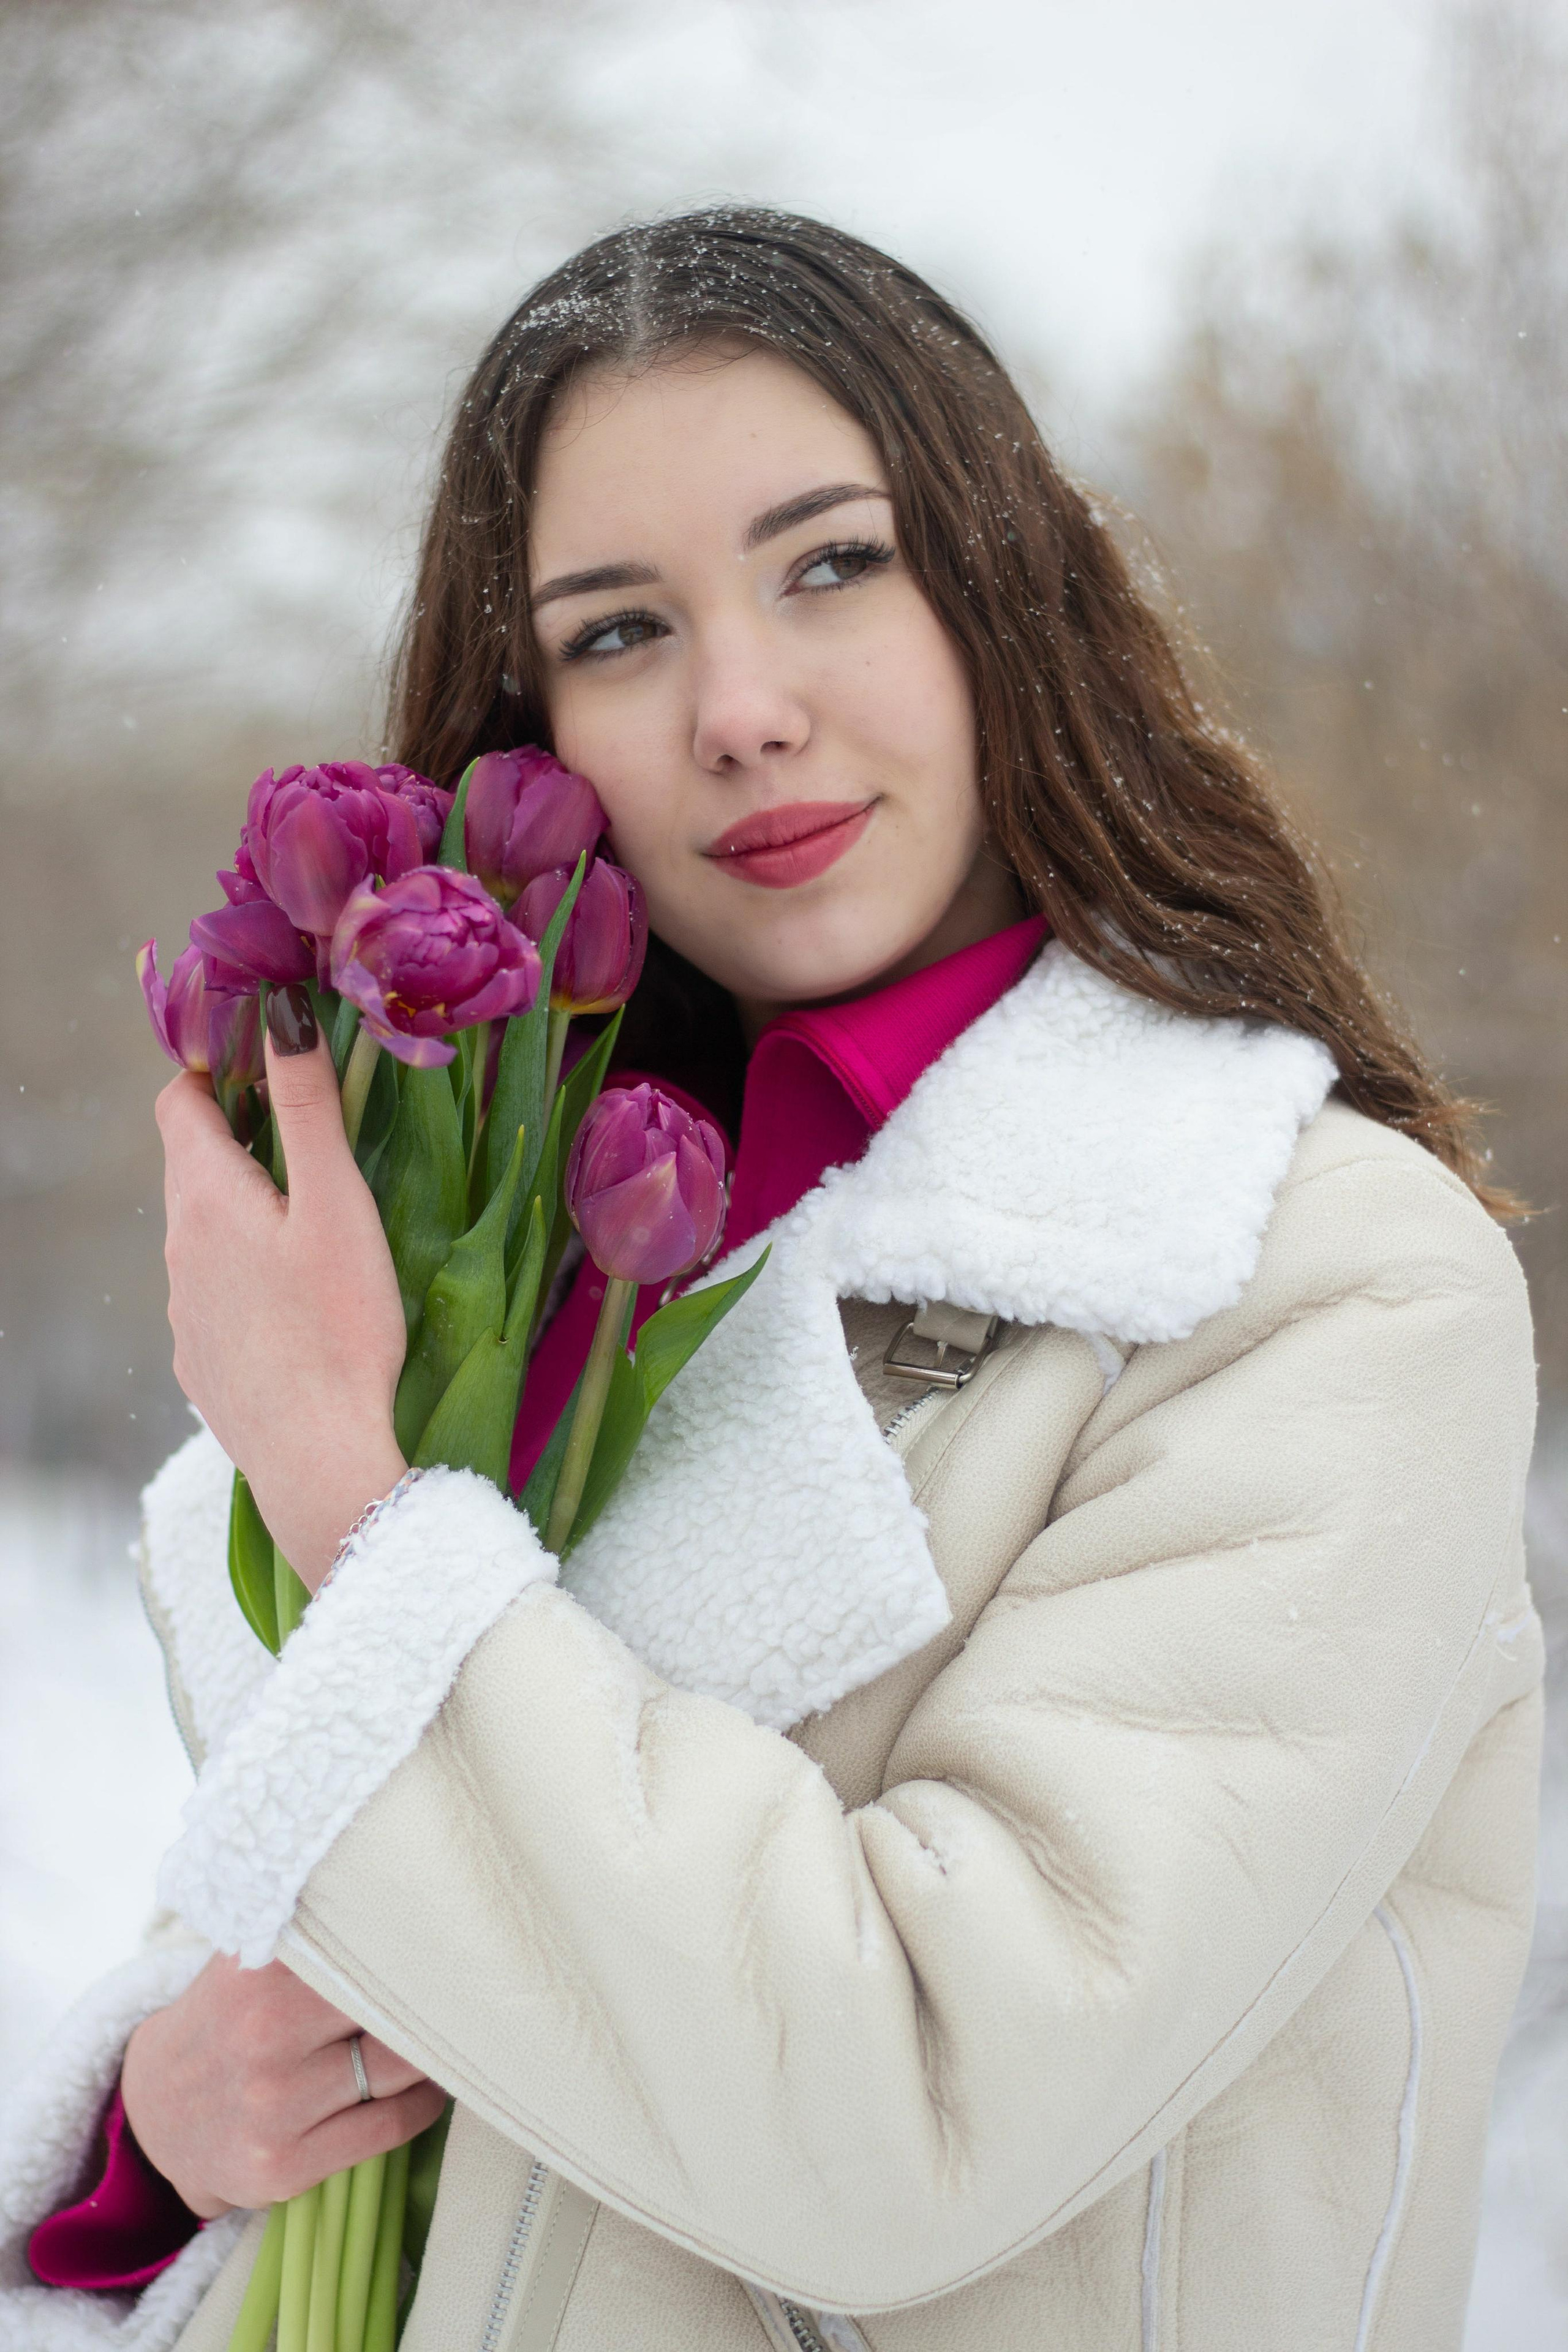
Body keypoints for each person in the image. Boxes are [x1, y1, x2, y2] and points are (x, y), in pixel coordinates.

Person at [0, 208, 1540, 2352]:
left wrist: (350, 1503)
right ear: (536, 726)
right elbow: (390, 1970)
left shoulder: (1315, 1284)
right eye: (622, 631)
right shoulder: (555, 1255)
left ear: (1001, 589)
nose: (739, 709)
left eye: (831, 564)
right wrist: (160, 2125)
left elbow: (917, 2119)